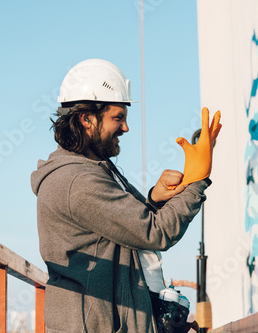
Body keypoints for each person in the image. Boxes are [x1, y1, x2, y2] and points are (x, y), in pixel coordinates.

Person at [31, 59, 221, 332]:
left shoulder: (94, 170)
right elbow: (154, 232)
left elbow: (125, 231)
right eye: (117, 118)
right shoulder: (77, 181)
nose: (125, 128)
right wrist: (197, 180)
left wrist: (154, 201)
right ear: (87, 119)